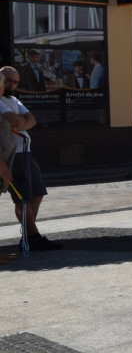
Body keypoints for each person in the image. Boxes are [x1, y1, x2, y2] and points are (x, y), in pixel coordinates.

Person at [0, 66, 61, 250]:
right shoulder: (0, 101)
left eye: (15, 82)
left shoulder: (13, 99)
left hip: (26, 151)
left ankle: (28, 234)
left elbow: (31, 120)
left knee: (38, 191)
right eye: (7, 80)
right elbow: (17, 121)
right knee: (22, 198)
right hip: (14, 154)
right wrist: (22, 122)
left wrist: (22, 122)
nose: (10, 84)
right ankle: (32, 237)